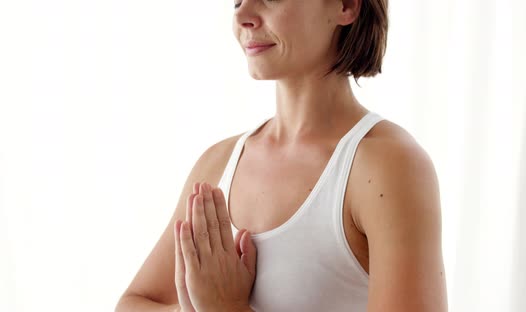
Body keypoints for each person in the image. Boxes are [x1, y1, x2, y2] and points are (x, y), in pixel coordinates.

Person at [115, 0, 448, 311]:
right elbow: (134, 303)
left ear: (346, 5)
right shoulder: (218, 164)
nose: (242, 14)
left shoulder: (388, 166)